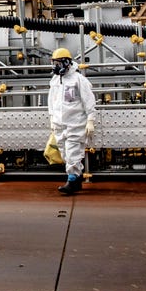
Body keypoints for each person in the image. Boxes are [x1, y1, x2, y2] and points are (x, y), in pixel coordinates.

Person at [48, 48, 96, 195]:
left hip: (75, 124)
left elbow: (89, 100)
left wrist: (90, 120)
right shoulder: (56, 80)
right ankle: (75, 179)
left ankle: (72, 180)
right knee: (65, 154)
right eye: (54, 63)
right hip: (59, 125)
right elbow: (52, 101)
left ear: (66, 62)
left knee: (73, 153)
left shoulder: (78, 80)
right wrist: (52, 118)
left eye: (57, 63)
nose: (55, 66)